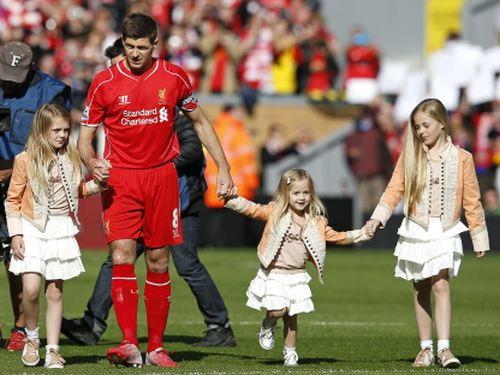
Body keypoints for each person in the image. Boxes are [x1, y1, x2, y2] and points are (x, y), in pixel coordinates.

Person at [77, 13, 235, 368]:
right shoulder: (104, 82)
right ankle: (130, 343)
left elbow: (199, 121)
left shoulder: (174, 77)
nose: (134, 54)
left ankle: (157, 347)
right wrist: (92, 161)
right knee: (120, 256)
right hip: (121, 180)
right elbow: (84, 138)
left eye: (141, 47)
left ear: (154, 45)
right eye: (129, 46)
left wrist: (224, 167)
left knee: (159, 260)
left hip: (162, 178)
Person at [62, 110, 236, 347]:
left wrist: (154, 166)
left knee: (187, 264)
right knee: (117, 260)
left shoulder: (176, 114)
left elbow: (193, 150)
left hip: (181, 201)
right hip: (146, 199)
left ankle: (220, 326)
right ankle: (92, 325)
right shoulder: (141, 115)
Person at [365, 98, 490, 369]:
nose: (420, 131)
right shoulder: (410, 156)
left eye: (426, 125)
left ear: (442, 123)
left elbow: (472, 200)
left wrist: (479, 236)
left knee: (441, 284)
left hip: (446, 229)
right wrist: (377, 219)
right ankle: (426, 349)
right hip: (416, 227)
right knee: (420, 286)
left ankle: (445, 348)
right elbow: (393, 190)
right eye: (416, 126)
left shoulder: (462, 158)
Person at [224, 168, 369, 366]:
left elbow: (336, 236)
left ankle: (290, 353)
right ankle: (269, 322)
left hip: (297, 275)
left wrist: (361, 234)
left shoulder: (316, 222)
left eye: (306, 193)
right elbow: (253, 209)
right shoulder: (276, 212)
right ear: (286, 194)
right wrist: (231, 200)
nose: (301, 197)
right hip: (274, 273)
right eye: (296, 193)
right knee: (279, 311)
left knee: (292, 318)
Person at [6, 104, 101, 368]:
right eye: (56, 130)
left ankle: (54, 350)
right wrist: (16, 234)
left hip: (61, 229)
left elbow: (77, 191)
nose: (62, 135)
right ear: (42, 130)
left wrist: (98, 183)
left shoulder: (70, 157)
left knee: (55, 293)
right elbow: (12, 200)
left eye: (66, 130)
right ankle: (32, 338)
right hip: (32, 229)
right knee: (31, 289)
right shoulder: (24, 160)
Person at [0, 41, 71, 352]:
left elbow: (57, 139)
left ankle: (20, 327)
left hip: (28, 182)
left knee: (18, 254)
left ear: (30, 70)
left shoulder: (50, 91)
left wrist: (17, 171)